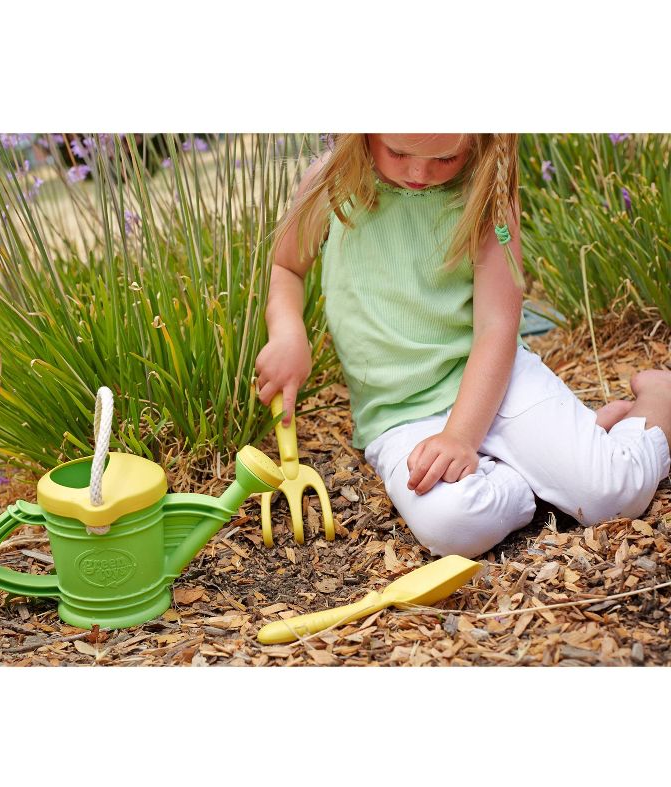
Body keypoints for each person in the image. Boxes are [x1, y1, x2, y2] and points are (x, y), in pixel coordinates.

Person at [254, 134, 671, 559]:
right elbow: (287, 267)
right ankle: (550, 467)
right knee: (452, 527)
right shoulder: (332, 183)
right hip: (400, 415)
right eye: (398, 152)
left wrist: (461, 436)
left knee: (614, 495)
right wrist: (288, 331)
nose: (418, 173)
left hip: (497, 381)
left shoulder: (484, 192)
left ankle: (658, 399)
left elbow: (497, 327)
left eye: (445, 157)